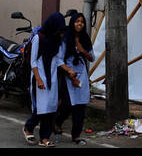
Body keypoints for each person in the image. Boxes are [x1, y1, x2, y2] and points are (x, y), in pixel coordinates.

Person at [28, 12, 66, 147]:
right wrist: (38, 79)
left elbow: (57, 60)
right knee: (40, 108)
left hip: (52, 79)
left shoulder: (57, 42)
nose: (60, 33)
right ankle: (28, 127)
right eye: (58, 30)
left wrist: (69, 70)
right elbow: (33, 62)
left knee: (50, 109)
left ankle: (44, 138)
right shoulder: (39, 38)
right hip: (40, 76)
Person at [56, 9, 93, 145]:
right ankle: (57, 122)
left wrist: (82, 49)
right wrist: (69, 71)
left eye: (82, 22)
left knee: (80, 107)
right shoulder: (66, 39)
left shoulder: (85, 38)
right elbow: (59, 59)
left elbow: (92, 57)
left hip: (81, 74)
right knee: (67, 104)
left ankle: (76, 136)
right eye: (77, 21)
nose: (80, 24)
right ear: (72, 23)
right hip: (68, 74)